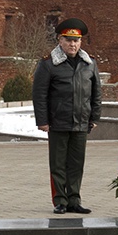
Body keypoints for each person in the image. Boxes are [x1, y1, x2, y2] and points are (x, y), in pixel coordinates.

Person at [33, 17, 102, 215]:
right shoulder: (48, 64)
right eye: (68, 40)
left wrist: (94, 117)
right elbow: (39, 94)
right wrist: (43, 121)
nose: (72, 44)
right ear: (59, 40)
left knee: (76, 164)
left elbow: (96, 92)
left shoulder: (89, 64)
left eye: (76, 41)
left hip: (81, 122)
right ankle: (60, 200)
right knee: (58, 164)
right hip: (58, 122)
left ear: (80, 42)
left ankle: (74, 199)